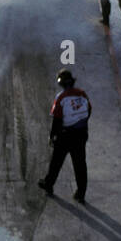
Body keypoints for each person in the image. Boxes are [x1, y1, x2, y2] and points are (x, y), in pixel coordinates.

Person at [39, 70, 92, 203]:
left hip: (66, 135)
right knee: (80, 164)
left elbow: (56, 119)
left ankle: (48, 184)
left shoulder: (61, 97)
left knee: (56, 161)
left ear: (61, 83)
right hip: (81, 134)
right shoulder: (82, 94)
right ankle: (81, 193)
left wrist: (52, 136)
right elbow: (89, 110)